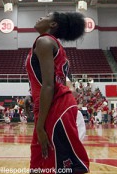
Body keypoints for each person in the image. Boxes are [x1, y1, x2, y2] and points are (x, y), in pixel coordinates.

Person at [25, 11, 89, 173]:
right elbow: (50, 79)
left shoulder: (44, 42)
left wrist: (40, 128)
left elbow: (49, 85)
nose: (40, 17)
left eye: (45, 16)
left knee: (63, 165)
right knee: (42, 162)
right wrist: (31, 93)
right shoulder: (51, 44)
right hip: (51, 103)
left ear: (53, 24)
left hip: (56, 105)